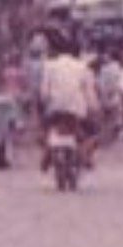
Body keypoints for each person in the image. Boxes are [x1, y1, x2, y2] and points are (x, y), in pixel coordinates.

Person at [39, 32, 100, 171]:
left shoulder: (49, 66)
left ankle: (47, 151)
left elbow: (44, 92)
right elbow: (90, 94)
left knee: (45, 129)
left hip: (55, 110)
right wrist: (94, 109)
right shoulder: (83, 68)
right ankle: (86, 155)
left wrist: (45, 104)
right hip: (77, 111)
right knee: (93, 132)